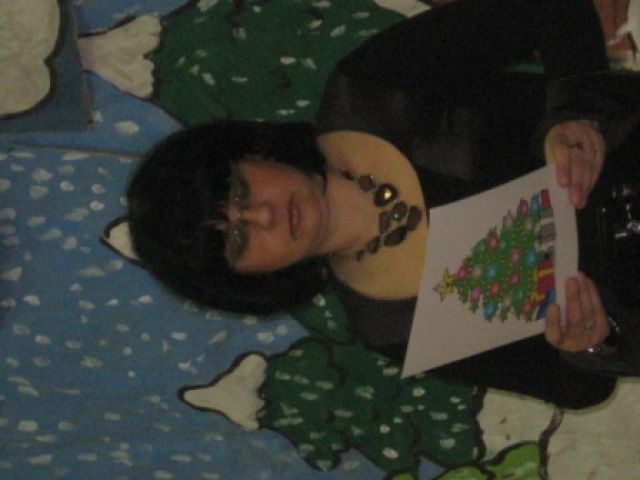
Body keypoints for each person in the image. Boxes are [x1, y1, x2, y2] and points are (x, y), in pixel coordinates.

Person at [127, 0, 640, 409]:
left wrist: (573, 113)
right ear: (251, 278)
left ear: (252, 154)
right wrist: (589, 344)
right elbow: (579, 388)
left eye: (241, 191)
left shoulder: (370, 89)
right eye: (240, 239)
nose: (263, 216)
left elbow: (553, 9)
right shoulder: (390, 327)